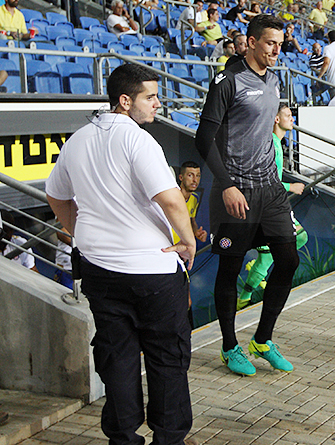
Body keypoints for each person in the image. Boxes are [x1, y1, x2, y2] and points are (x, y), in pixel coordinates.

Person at [45, 63, 196, 445]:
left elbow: (56, 196)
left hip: (100, 271)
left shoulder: (78, 139)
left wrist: (82, 233)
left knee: (118, 360)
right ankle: (169, 438)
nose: (158, 104)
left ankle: (123, 438)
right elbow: (171, 199)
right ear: (125, 101)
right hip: (154, 273)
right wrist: (188, 240)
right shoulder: (138, 140)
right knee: (167, 359)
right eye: (151, 97)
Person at [195, 14, 300, 376]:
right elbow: (202, 138)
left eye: (280, 43)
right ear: (252, 42)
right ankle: (229, 346)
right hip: (235, 192)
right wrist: (226, 184)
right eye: (271, 43)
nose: (277, 49)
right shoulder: (227, 81)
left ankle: (263, 339)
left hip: (269, 191)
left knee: (288, 259)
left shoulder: (273, 80)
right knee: (230, 266)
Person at [236, 104, 307, 310]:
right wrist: (290, 186)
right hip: (268, 206)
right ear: (276, 119)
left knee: (271, 253)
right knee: (299, 238)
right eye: (287, 115)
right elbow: (268, 181)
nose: (292, 118)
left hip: (270, 205)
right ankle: (251, 291)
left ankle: (245, 296)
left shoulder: (275, 142)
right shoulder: (272, 144)